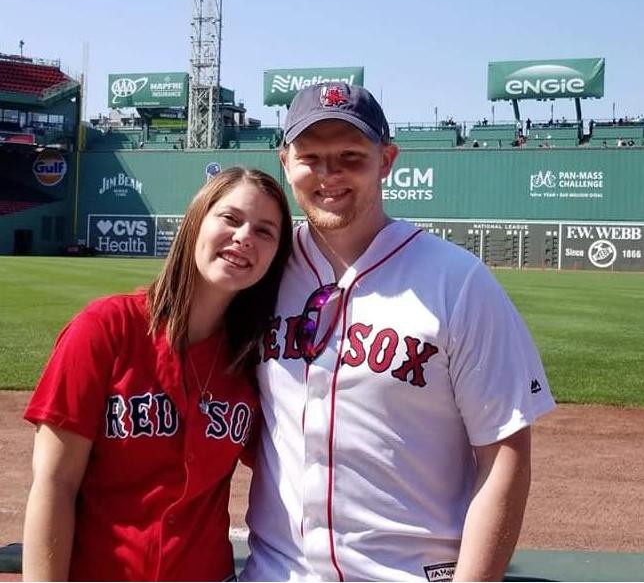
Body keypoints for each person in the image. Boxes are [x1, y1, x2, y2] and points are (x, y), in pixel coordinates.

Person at [240, 84, 555, 582]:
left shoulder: (457, 281)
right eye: (312, 157)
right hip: (276, 572)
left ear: (386, 160)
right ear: (285, 161)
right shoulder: (260, 272)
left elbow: (504, 454)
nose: (329, 174)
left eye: (350, 156)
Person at [22, 166, 293, 581]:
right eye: (231, 219)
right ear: (196, 221)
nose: (244, 237)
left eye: (265, 231)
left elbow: (294, 466)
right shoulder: (105, 329)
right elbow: (54, 482)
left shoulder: (253, 361)